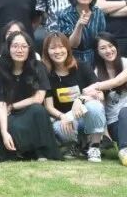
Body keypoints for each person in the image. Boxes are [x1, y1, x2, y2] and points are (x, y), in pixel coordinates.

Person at [0, 31, 61, 161]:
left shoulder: (38, 67)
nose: (20, 50)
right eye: (15, 46)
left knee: (38, 109)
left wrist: (13, 105)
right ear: (8, 48)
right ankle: (19, 151)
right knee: (11, 126)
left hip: (29, 111)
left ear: (29, 49)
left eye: (24, 46)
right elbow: (0, 104)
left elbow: (38, 98)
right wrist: (4, 131)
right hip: (9, 115)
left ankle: (41, 152)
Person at [86, 32, 127, 167]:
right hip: (115, 124)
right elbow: (101, 104)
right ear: (97, 52)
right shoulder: (96, 72)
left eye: (110, 46)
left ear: (116, 46)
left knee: (125, 111)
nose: (108, 50)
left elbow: (117, 81)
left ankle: (123, 150)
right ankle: (126, 146)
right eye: (103, 48)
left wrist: (95, 86)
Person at [41, 32, 106, 163]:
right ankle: (75, 145)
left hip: (86, 117)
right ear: (47, 51)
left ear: (67, 48)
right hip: (66, 120)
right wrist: (62, 117)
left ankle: (94, 146)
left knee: (95, 106)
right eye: (53, 48)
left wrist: (80, 99)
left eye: (61, 47)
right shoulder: (46, 73)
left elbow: (100, 94)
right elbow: (49, 106)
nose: (58, 51)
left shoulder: (82, 66)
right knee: (60, 128)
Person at [57, 0, 106, 64]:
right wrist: (79, 25)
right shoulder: (65, 14)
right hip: (73, 59)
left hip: (96, 57)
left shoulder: (98, 12)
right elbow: (72, 44)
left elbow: (102, 38)